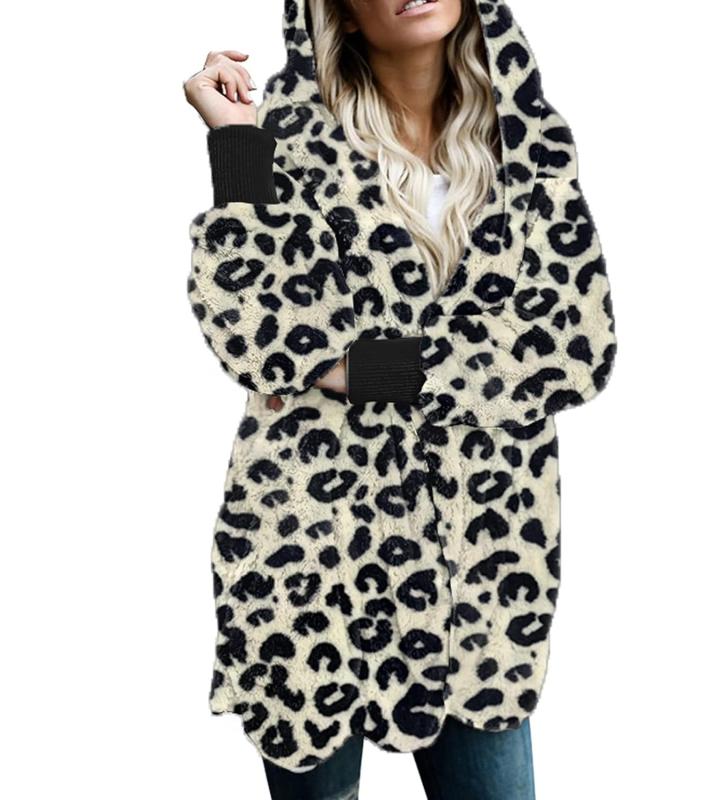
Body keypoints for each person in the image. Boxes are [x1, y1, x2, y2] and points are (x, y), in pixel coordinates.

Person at [182, 0, 617, 797]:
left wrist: (361, 371)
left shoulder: (527, 143)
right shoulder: (287, 135)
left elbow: (571, 345)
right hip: (311, 548)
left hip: (480, 560)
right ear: (339, 13)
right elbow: (252, 322)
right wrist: (236, 139)